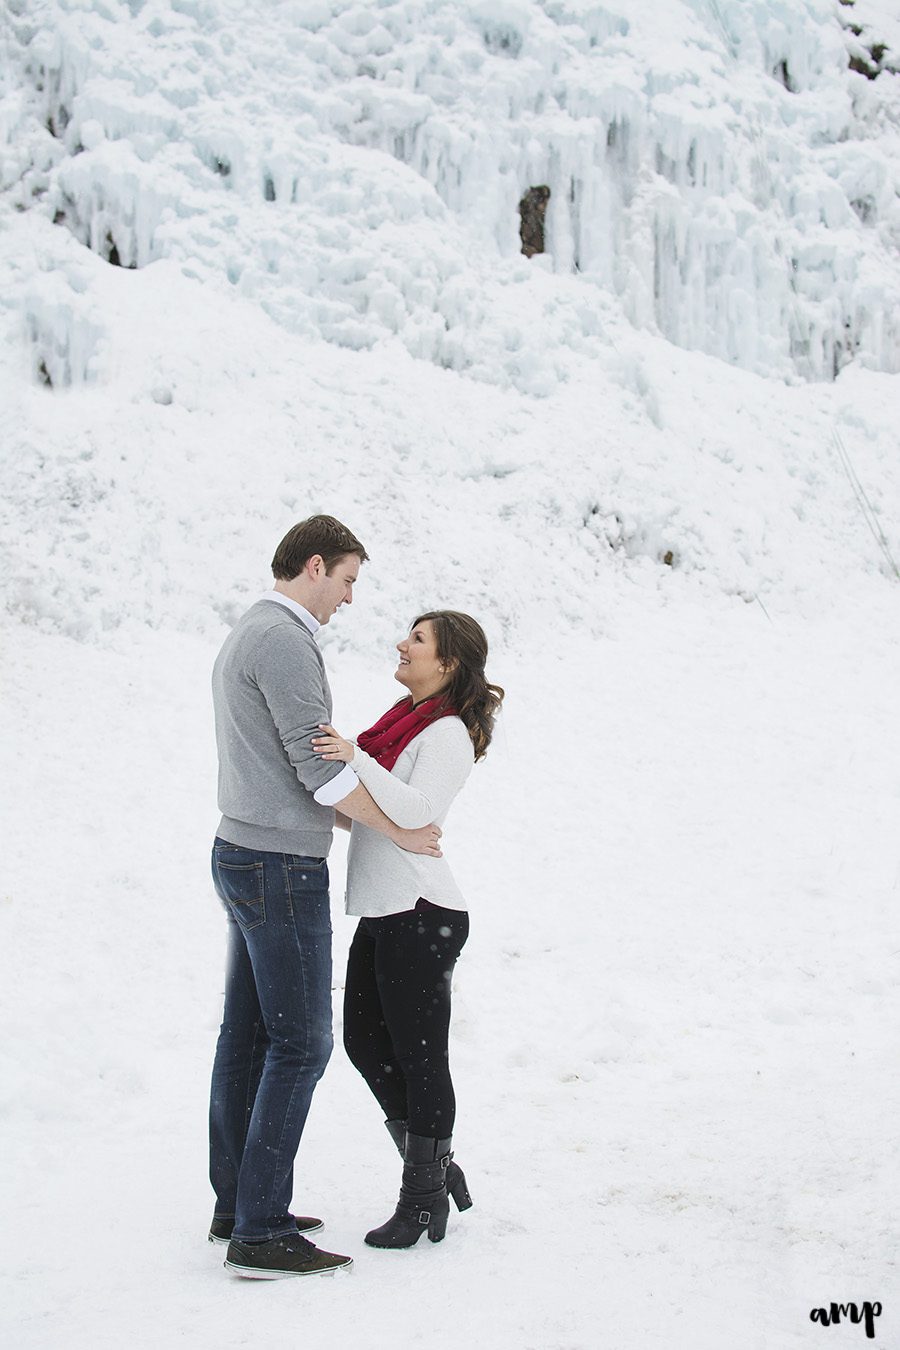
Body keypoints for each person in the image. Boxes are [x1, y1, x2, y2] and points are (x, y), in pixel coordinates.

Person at [208, 515, 444, 1280]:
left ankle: (238, 1204)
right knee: (302, 1044)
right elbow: (321, 771)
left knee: (247, 1035)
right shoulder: (285, 640)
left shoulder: (252, 629)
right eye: (347, 581)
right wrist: (402, 832)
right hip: (278, 866)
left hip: (245, 851)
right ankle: (262, 1231)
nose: (347, 599)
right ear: (315, 566)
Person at [312, 610, 504, 1248]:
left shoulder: (445, 733)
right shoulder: (403, 724)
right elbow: (382, 815)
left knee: (422, 1059)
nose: (402, 643)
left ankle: (421, 1199)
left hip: (423, 913)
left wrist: (356, 759)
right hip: (388, 908)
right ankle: (436, 1167)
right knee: (366, 1044)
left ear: (446, 663)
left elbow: (420, 810)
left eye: (417, 639)